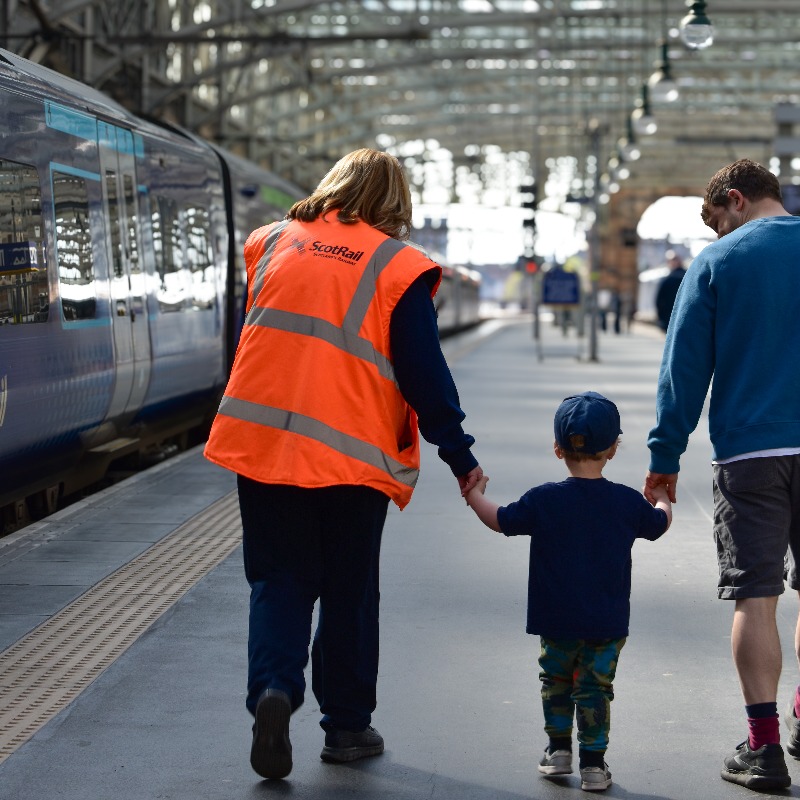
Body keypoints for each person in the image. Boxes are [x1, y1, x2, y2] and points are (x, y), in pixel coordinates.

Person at [204, 148, 482, 780]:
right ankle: (348, 728)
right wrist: (459, 455)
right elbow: (424, 374)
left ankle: (273, 691)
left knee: (278, 579)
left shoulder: (270, 242)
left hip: (265, 444)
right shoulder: (397, 265)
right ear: (395, 203)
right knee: (349, 589)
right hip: (351, 456)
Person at [644, 158, 800, 791]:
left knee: (755, 595)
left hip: (751, 455)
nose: (716, 235)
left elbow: (684, 370)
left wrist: (664, 458)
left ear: (735, 200)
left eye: (716, 221)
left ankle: (763, 750)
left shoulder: (719, 261)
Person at [466, 391, 671, 792]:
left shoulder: (544, 499)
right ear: (613, 448)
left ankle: (558, 751)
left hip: (555, 619)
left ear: (558, 450)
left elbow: (500, 520)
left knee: (555, 680)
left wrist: (474, 495)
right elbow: (658, 524)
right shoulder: (626, 502)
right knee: (595, 689)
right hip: (606, 622)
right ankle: (594, 766)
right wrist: (662, 498)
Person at [654, 250, 686, 331]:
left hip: (669, 318)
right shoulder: (689, 277)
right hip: (685, 317)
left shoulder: (666, 279)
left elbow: (659, 300)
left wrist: (661, 319)